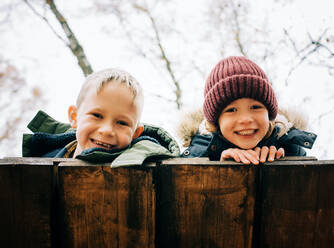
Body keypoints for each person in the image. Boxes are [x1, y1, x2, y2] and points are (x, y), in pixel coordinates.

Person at [23, 68, 179, 166]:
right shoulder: (43, 160)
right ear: (74, 116)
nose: (107, 130)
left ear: (135, 133)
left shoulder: (142, 165)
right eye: (97, 115)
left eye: (122, 123)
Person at [178, 56, 317, 165]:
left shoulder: (290, 146)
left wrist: (283, 162)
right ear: (216, 121)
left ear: (269, 114)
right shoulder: (199, 151)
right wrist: (219, 166)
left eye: (255, 107)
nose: (246, 119)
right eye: (231, 110)